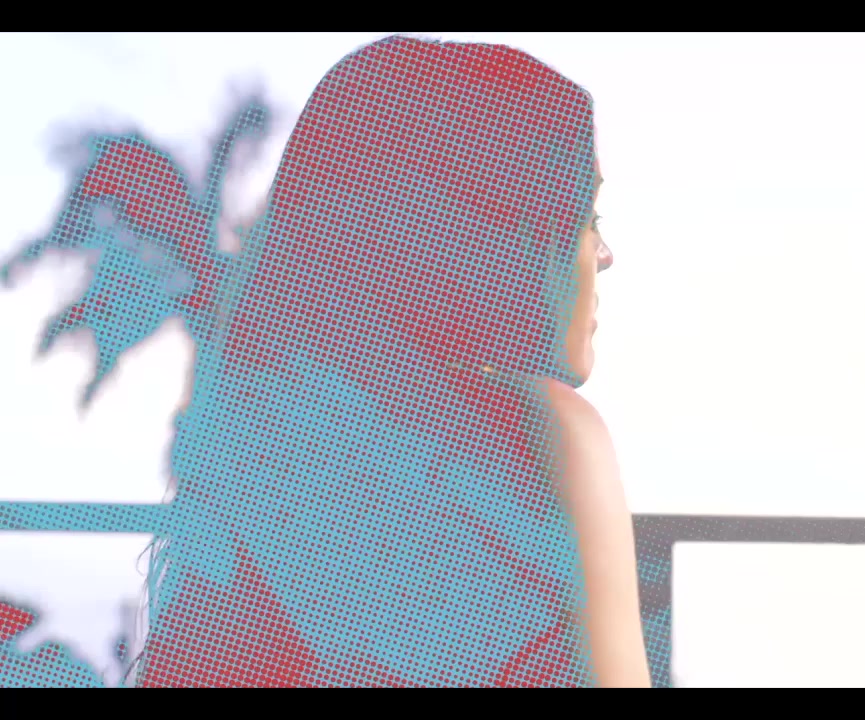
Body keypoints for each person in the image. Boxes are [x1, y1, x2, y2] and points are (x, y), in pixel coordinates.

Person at [3, 35, 649, 687]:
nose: (604, 254)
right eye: (583, 216)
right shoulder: (547, 440)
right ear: (496, 235)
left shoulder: (265, 451)